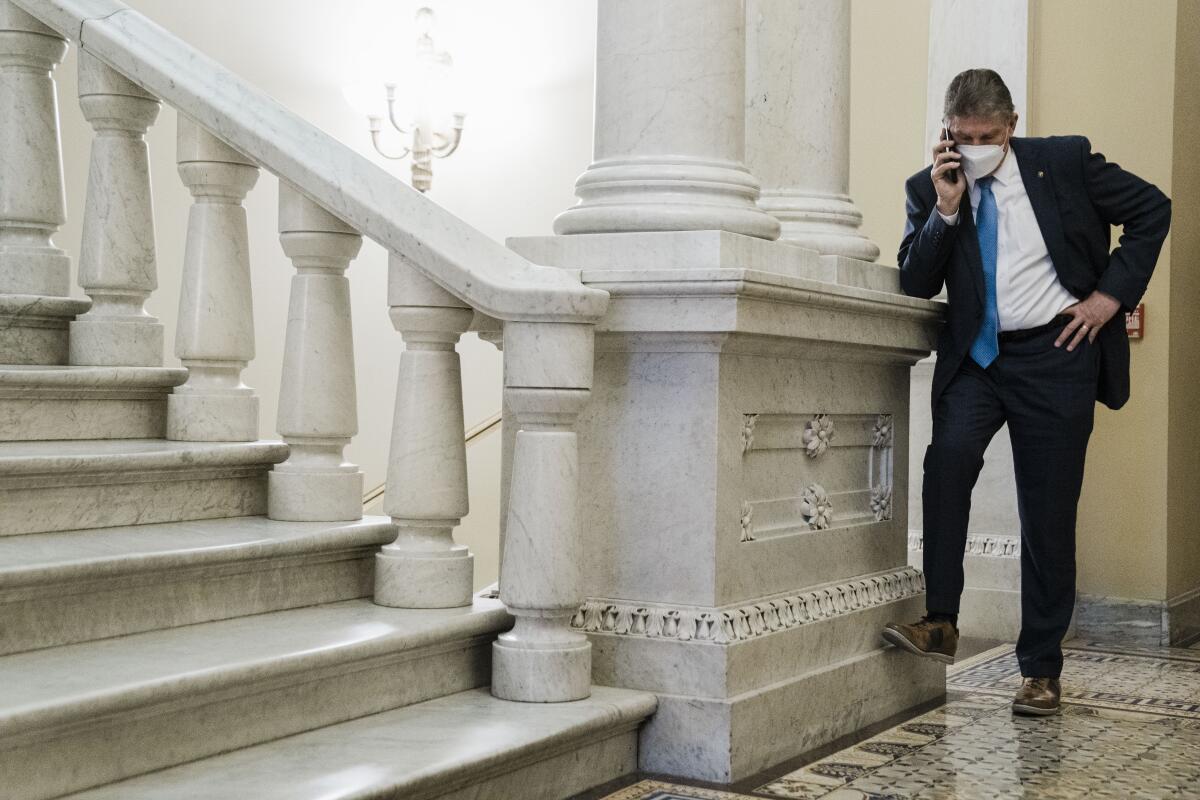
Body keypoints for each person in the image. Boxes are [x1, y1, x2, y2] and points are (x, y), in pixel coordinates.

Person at [880, 68, 1171, 716]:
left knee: (1047, 514)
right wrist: (947, 210)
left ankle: (1040, 670)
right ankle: (943, 619)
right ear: (946, 134)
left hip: (1055, 353)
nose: (974, 146)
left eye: (986, 135)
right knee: (947, 466)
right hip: (977, 361)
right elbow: (917, 281)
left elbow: (1154, 208)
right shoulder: (928, 189)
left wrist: (1108, 298)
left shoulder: (1062, 162)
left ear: (1010, 127)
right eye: (962, 136)